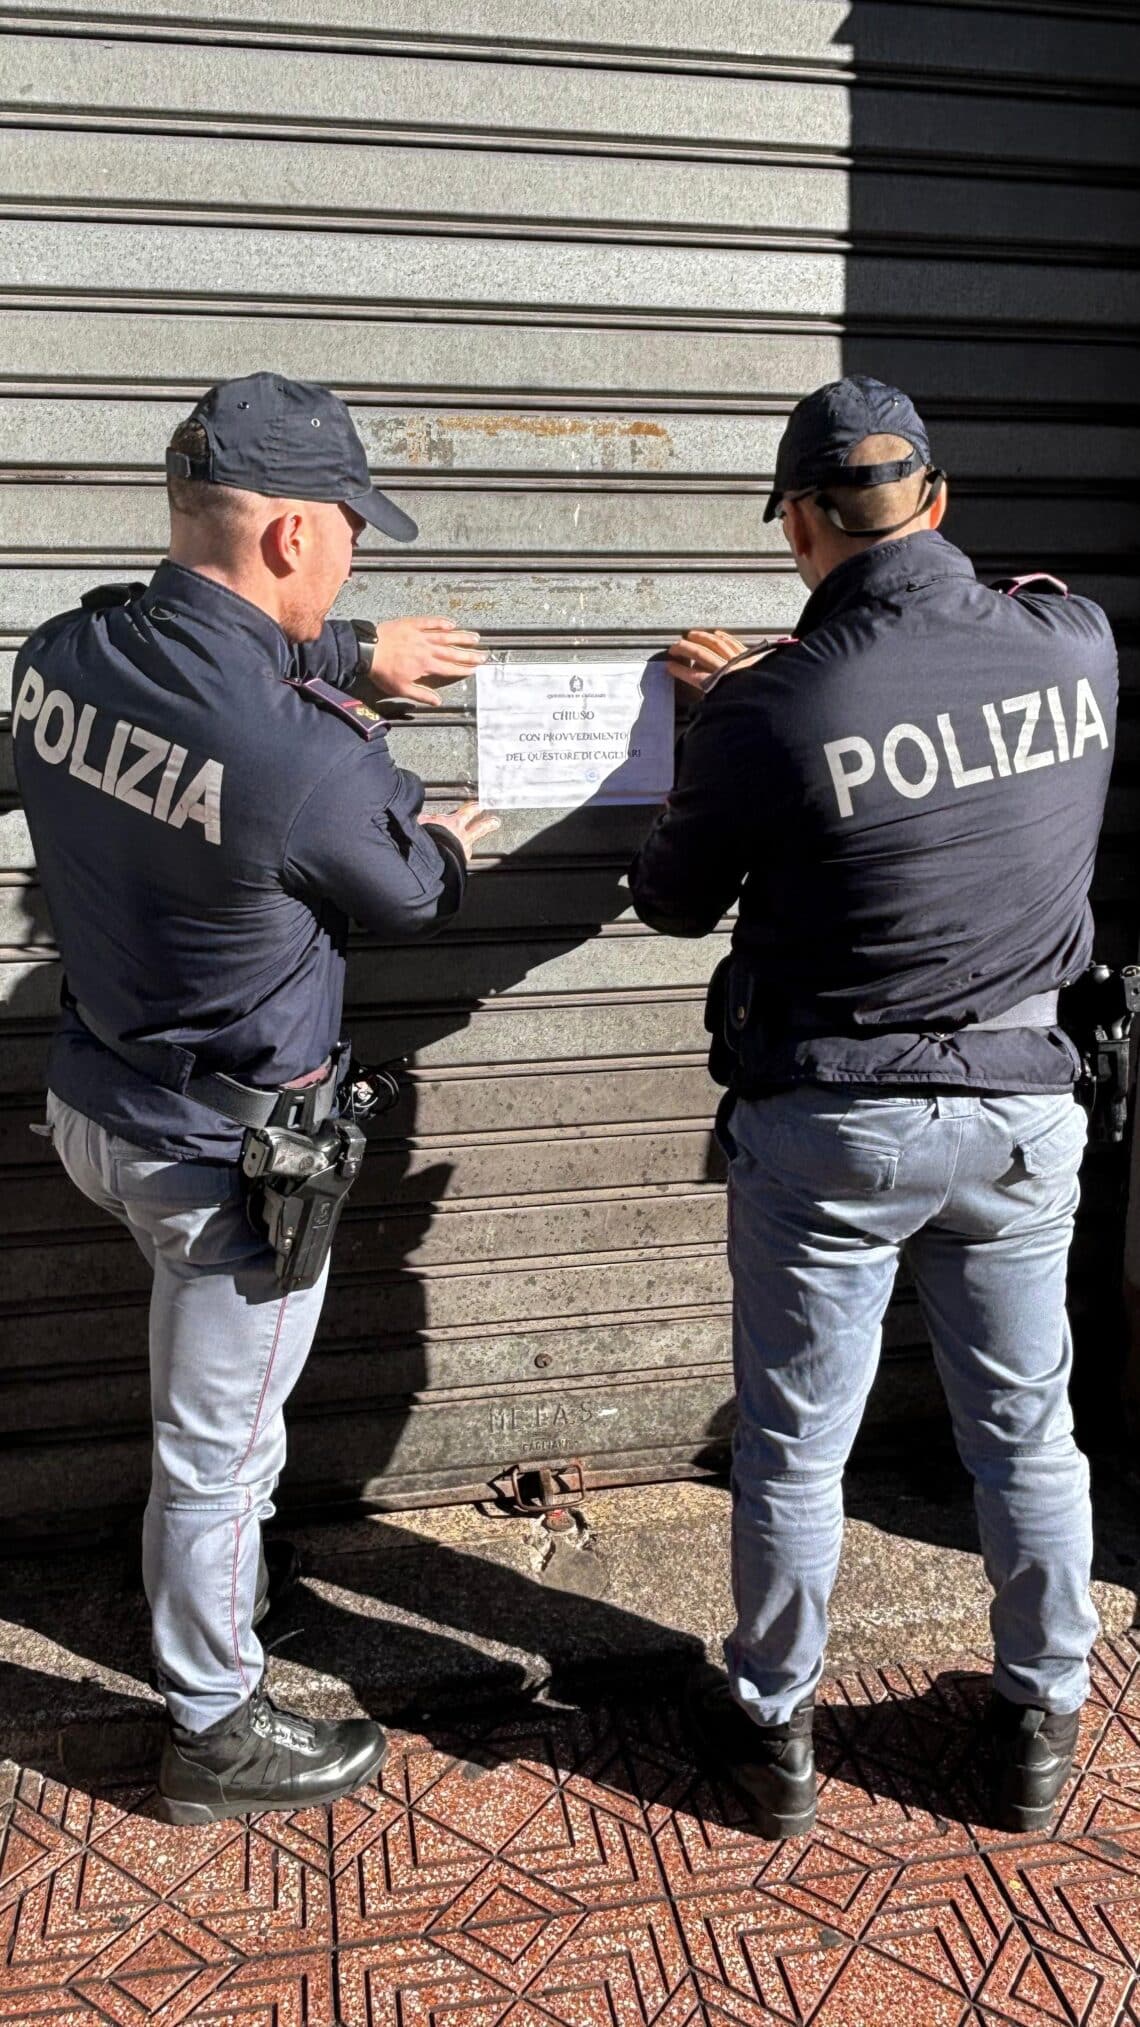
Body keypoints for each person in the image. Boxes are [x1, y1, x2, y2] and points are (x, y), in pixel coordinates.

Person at [629, 375, 1118, 1839]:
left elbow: (672, 901)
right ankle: (1040, 1721)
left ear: (797, 524)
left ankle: (771, 1728)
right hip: (1023, 1109)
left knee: (795, 1441)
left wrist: (723, 719)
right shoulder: (1076, 640)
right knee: (1028, 1432)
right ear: (939, 502)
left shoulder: (771, 709)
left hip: (835, 1125)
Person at [12, 371, 496, 1824]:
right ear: (291, 534)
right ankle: (214, 1725)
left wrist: (348, 651)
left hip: (96, 1105)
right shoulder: (313, 760)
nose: (352, 555)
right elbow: (405, 891)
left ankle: (211, 1577)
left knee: (212, 1426)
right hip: (226, 1166)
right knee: (218, 1448)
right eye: (348, 531)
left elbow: (201, 661)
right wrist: (447, 839)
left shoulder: (64, 653)